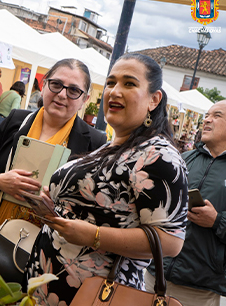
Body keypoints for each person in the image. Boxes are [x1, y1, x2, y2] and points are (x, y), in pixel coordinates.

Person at [24, 53, 188, 305]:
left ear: (154, 99)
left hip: (97, 295)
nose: (114, 91)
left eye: (129, 83)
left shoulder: (159, 155)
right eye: (111, 83)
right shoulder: (115, 145)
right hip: (52, 288)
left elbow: (170, 241)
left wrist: (94, 235)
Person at [0, 59, 106, 296]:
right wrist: (0, 181)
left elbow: (93, 209)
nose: (62, 95)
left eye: (74, 90)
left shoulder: (94, 142)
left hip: (47, 256)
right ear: (44, 84)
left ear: (85, 99)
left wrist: (57, 206)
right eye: (56, 84)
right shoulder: (17, 121)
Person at [144, 100, 226, 306]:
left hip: (199, 287)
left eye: (217, 115)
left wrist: (217, 221)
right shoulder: (182, 158)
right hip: (155, 273)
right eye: (207, 115)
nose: (207, 120)